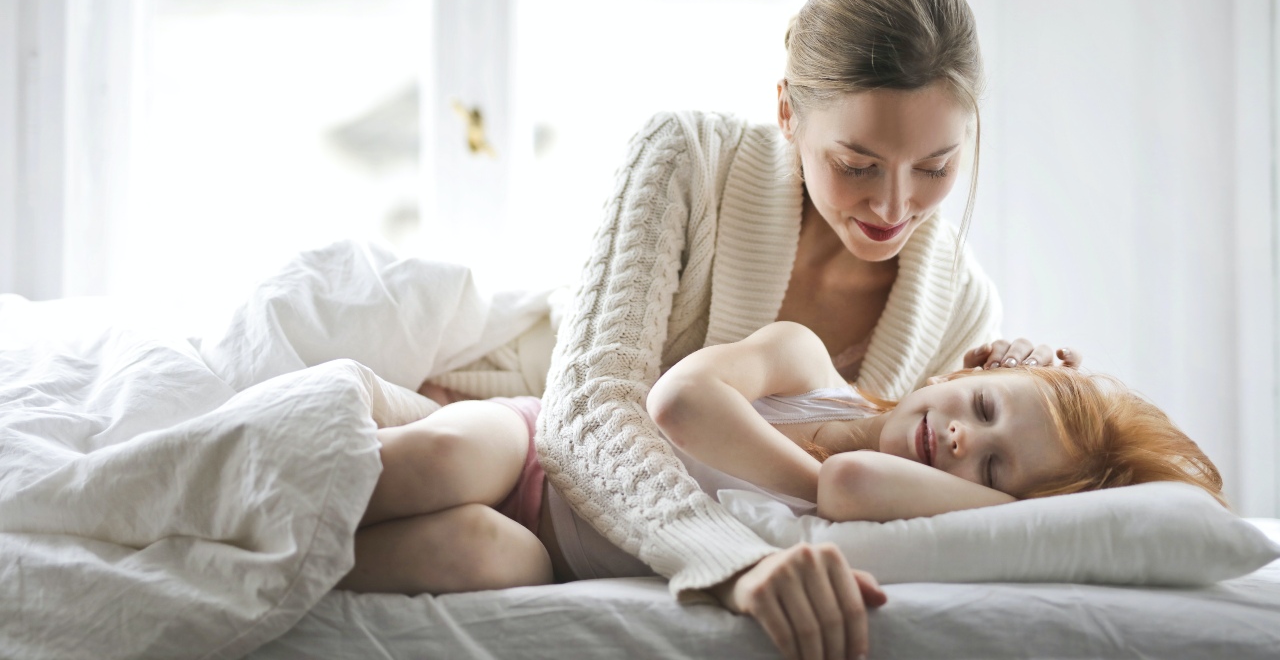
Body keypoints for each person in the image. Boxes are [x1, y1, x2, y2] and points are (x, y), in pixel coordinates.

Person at [526, 0, 1079, 660]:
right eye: (857, 165)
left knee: (472, 554)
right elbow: (586, 410)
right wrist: (730, 558)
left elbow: (913, 495)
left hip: (573, 535)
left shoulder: (963, 309)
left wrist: (1020, 392)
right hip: (522, 411)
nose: (893, 206)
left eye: (935, 168)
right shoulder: (688, 158)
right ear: (788, 110)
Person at [343, 321, 1222, 658]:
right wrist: (1000, 473)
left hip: (548, 553)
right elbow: (680, 402)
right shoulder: (806, 362)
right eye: (983, 404)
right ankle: (280, 489)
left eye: (990, 468)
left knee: (463, 550)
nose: (962, 437)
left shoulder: (892, 503)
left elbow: (853, 481)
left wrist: (1023, 510)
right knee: (448, 462)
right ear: (969, 365)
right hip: (551, 452)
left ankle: (271, 561)